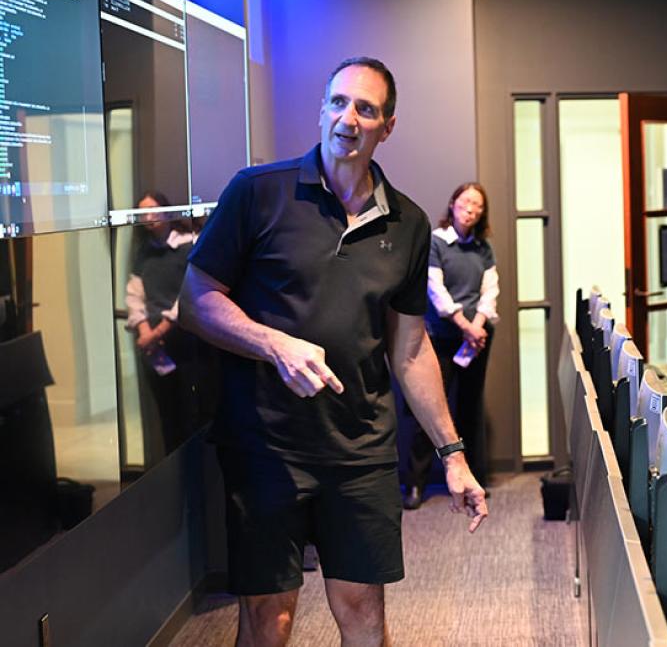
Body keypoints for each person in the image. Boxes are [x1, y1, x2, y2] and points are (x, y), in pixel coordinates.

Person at [179, 57, 487, 647]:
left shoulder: (410, 223)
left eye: (365, 109)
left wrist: (452, 453)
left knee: (363, 616)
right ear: (322, 109)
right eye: (339, 103)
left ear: (387, 126)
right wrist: (273, 345)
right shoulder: (257, 193)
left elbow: (411, 349)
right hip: (266, 446)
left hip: (361, 451)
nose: (348, 119)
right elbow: (195, 301)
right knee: (270, 620)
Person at [407, 182, 498, 509]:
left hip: (477, 337)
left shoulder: (483, 247)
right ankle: (415, 485)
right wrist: (463, 324)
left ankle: (476, 480)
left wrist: (477, 326)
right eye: (466, 202)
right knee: (430, 407)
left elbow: (490, 291)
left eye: (477, 205)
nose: (471, 209)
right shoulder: (436, 241)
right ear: (453, 203)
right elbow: (435, 290)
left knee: (470, 408)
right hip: (443, 336)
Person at [125, 191, 205, 462]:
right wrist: (145, 331)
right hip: (155, 347)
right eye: (142, 213)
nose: (148, 218)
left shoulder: (188, 246)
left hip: (185, 341)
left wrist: (159, 331)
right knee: (166, 413)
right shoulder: (144, 254)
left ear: (168, 212)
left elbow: (190, 293)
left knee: (192, 412)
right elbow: (135, 294)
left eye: (153, 211)